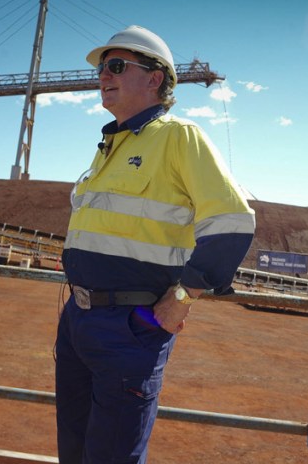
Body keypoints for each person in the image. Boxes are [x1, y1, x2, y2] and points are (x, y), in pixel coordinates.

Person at [55, 25, 256, 464]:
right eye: (102, 69)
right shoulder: (108, 147)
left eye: (116, 66)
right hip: (77, 320)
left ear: (154, 79)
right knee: (73, 451)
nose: (103, 76)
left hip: (132, 326)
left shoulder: (179, 138)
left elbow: (233, 221)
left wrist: (182, 297)